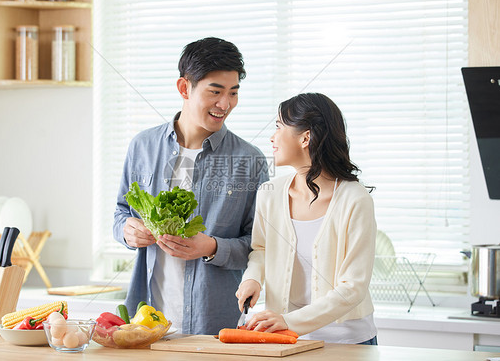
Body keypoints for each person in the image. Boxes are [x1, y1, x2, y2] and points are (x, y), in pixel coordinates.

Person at [113, 37, 269, 335]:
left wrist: (211, 247)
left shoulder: (250, 160)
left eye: (233, 93)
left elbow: (259, 246)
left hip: (215, 324)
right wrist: (126, 230)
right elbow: (121, 212)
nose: (225, 104)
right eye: (215, 92)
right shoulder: (143, 147)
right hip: (146, 323)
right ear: (184, 88)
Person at [235, 92, 378, 345]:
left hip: (347, 341)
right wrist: (253, 278)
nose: (272, 137)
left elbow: (353, 286)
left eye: (279, 127)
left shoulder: (355, 200)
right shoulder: (270, 193)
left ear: (305, 137)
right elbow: (261, 249)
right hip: (286, 338)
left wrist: (291, 321)